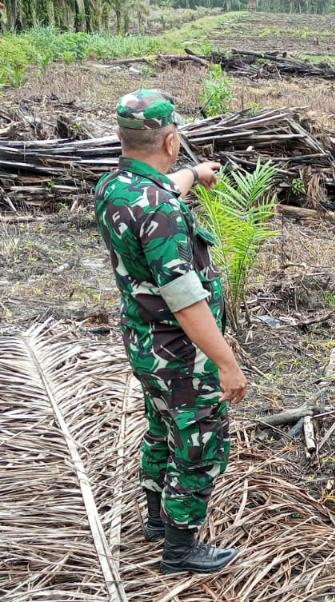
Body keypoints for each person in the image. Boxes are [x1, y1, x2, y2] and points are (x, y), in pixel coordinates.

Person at [93, 89, 248, 575]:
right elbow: (185, 300)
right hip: (181, 354)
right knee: (198, 444)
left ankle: (157, 522)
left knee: (162, 430)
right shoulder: (160, 208)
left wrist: (196, 176)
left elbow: (164, 190)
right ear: (172, 140)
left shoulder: (114, 187)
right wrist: (226, 362)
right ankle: (180, 551)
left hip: (146, 347)